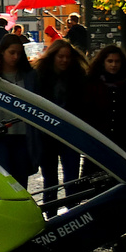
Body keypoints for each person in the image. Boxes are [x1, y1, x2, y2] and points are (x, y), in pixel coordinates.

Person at [33, 38, 87, 213]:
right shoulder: (40, 76)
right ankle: (51, 212)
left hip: (70, 133)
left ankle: (73, 211)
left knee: (71, 176)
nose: (64, 60)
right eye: (60, 56)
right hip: (46, 133)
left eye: (67, 57)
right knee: (50, 178)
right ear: (53, 57)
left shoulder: (78, 76)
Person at [0, 34, 36, 185]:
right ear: (2, 51)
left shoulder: (29, 76)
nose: (15, 57)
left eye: (19, 53)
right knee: (2, 179)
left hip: (22, 136)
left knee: (21, 180)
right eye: (12, 52)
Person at [81, 45, 126, 156]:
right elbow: (85, 110)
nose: (113, 65)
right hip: (98, 137)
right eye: (110, 61)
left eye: (117, 61)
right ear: (103, 62)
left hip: (123, 138)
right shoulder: (92, 83)